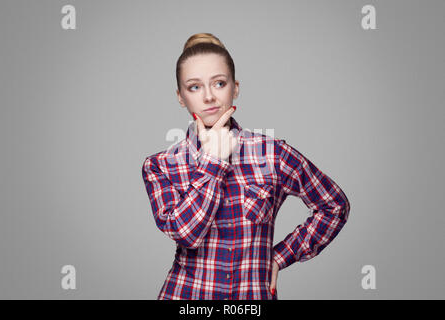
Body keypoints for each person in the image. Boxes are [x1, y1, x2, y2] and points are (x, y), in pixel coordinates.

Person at [142, 33, 351, 300]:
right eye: (194, 87)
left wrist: (279, 257)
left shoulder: (273, 154)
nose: (208, 96)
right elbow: (186, 235)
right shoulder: (161, 166)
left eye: (219, 83)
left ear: (235, 88)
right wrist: (214, 162)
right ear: (180, 96)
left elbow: (334, 205)